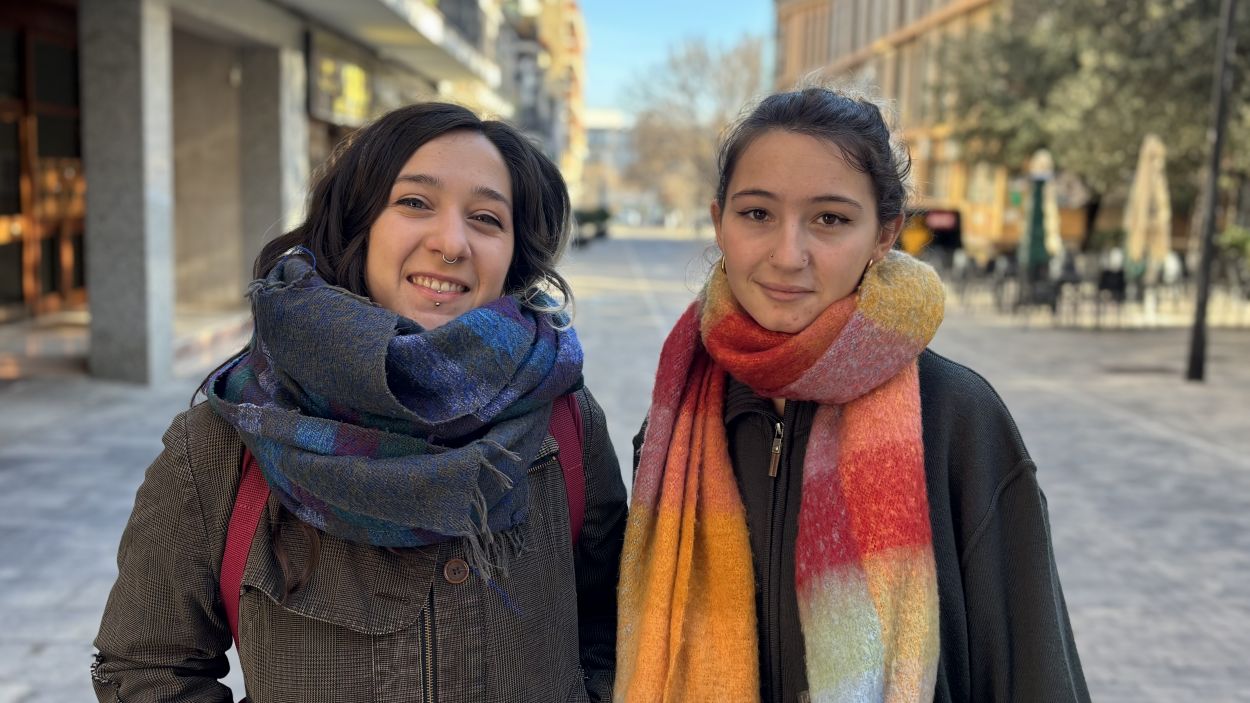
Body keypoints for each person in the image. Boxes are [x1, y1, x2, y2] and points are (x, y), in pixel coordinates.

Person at [91, 102, 627, 702]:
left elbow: (614, 628)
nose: (452, 243)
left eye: (486, 218)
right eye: (415, 202)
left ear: (513, 253)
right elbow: (145, 668)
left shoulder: (564, 423)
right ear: (357, 222)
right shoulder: (228, 440)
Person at [614, 87, 1090, 703]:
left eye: (830, 220)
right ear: (718, 221)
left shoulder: (957, 416)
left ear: (884, 234)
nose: (788, 255)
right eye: (757, 214)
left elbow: (1034, 671)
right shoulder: (679, 418)